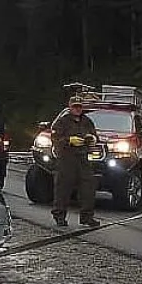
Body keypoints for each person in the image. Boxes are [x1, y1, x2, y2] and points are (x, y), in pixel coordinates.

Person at [51, 95, 100, 227]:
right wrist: (68, 140)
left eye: (79, 106)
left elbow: (95, 136)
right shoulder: (62, 122)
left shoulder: (87, 122)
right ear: (70, 107)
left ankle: (87, 217)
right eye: (75, 107)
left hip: (83, 158)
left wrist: (92, 138)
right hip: (67, 158)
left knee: (88, 188)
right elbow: (55, 138)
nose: (77, 109)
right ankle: (59, 216)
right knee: (63, 188)